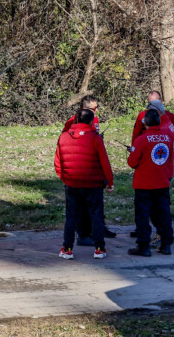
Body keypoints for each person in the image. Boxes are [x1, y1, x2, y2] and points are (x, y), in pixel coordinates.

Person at [54, 108, 114, 260]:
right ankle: (99, 248)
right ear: (90, 121)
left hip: (72, 183)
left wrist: (65, 178)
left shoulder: (63, 137)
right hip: (93, 184)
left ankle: (67, 248)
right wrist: (109, 181)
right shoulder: (95, 138)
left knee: (71, 217)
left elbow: (58, 163)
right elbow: (104, 162)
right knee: (96, 216)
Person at [127, 107, 174, 257]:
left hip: (144, 184)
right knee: (163, 214)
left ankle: (143, 246)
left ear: (145, 123)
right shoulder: (168, 136)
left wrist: (133, 151)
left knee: (142, 216)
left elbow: (132, 162)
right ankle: (166, 244)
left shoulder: (141, 140)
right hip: (162, 181)